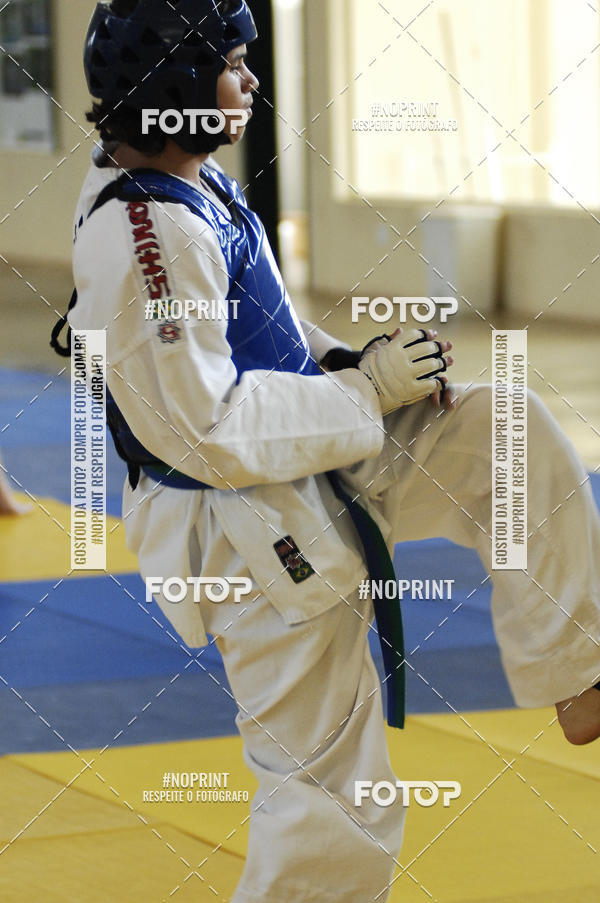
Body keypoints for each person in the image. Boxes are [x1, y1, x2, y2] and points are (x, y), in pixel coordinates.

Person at [63, 1, 600, 899]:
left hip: (304, 459)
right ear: (177, 85)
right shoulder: (144, 236)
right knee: (333, 799)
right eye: (234, 65)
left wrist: (349, 361)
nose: (251, 82)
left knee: (504, 434)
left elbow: (263, 329)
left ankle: (576, 671)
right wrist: (367, 391)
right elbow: (211, 427)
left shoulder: (197, 187)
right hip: (245, 529)